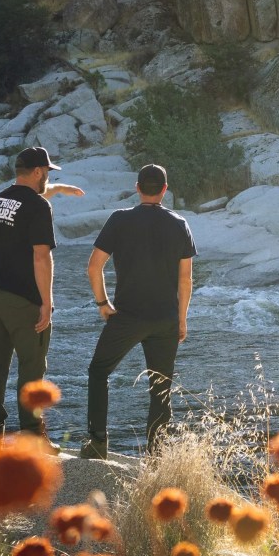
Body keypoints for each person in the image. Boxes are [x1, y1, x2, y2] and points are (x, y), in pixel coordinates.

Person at [84, 163, 195, 457]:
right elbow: (186, 280)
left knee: (98, 372)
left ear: (136, 188)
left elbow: (94, 267)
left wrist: (102, 303)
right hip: (165, 319)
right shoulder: (179, 223)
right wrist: (181, 319)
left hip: (127, 316)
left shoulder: (119, 219)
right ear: (164, 190)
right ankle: (156, 456)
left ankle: (97, 443)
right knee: (161, 389)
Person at [0, 146, 83, 442]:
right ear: (37, 172)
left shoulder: (2, 199)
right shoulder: (38, 206)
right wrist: (47, 303)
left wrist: (58, 189)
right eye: (47, 173)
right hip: (22, 300)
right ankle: (33, 437)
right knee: (32, 368)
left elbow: (27, 206)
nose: (47, 177)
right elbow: (41, 256)